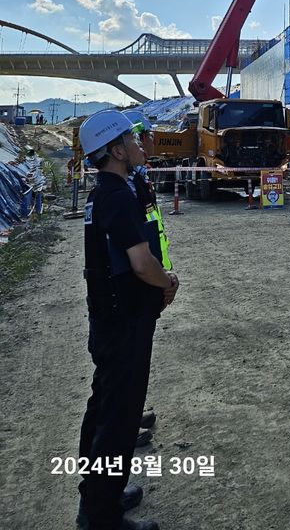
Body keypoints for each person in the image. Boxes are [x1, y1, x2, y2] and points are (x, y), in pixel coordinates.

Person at [76, 110, 179, 530]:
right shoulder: (117, 195)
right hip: (125, 321)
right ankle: (100, 515)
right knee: (119, 416)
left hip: (109, 318)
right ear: (116, 151)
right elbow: (140, 263)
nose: (140, 145)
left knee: (104, 406)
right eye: (131, 141)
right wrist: (166, 281)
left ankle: (99, 489)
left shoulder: (102, 192)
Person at [123, 109, 177, 447]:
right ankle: (124, 422)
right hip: (138, 281)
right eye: (145, 138)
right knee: (129, 357)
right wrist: (161, 279)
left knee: (138, 356)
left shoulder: (139, 176)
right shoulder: (128, 185)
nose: (151, 143)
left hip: (150, 276)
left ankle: (131, 411)